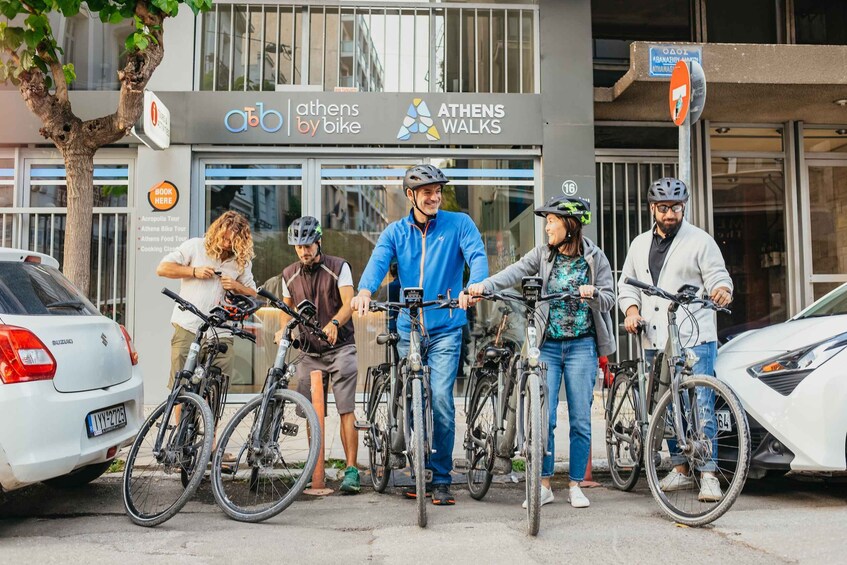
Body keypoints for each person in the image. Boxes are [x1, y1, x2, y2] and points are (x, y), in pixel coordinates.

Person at [351, 164, 488, 506]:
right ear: (411, 196)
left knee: (440, 398)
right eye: (427, 192)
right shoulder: (396, 232)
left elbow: (477, 255)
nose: (434, 197)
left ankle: (441, 477)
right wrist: (365, 291)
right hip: (408, 326)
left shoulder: (459, 224)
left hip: (445, 327)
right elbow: (379, 260)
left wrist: (476, 286)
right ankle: (417, 469)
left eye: (437, 191)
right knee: (414, 398)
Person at [467, 195, 616, 509]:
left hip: (582, 346)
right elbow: (513, 272)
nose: (547, 226)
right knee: (543, 418)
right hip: (546, 346)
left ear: (570, 225)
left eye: (552, 220)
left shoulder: (595, 258)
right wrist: (484, 286)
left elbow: (609, 300)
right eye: (547, 220)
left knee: (580, 420)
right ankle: (544, 484)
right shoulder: (543, 255)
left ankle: (575, 485)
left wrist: (593, 294)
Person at [618, 177, 733, 503]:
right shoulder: (639, 244)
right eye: (664, 208)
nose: (670, 214)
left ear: (684, 207)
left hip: (693, 332)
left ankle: (709, 474)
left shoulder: (700, 240)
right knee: (666, 406)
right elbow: (628, 286)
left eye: (676, 208)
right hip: (655, 335)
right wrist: (630, 311)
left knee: (702, 405)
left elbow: (718, 276)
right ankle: (681, 469)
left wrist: (721, 291)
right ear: (653, 208)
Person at [263, 216, 361, 494]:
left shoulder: (339, 267)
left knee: (346, 409)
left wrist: (334, 324)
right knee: (311, 413)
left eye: (308, 245)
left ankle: (351, 469)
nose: (303, 251)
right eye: (298, 246)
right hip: (309, 351)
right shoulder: (288, 274)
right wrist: (284, 330)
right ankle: (313, 467)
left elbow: (348, 304)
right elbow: (286, 309)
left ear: (318, 242)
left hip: (340, 346)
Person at [157, 210, 258, 392]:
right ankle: (179, 422)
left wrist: (236, 285)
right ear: (216, 230)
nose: (226, 243)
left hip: (221, 332)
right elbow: (163, 268)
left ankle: (211, 421)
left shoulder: (241, 261)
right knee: (180, 386)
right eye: (224, 238)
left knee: (216, 388)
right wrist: (194, 272)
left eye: (231, 241)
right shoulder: (195, 246)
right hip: (188, 326)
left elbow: (253, 293)